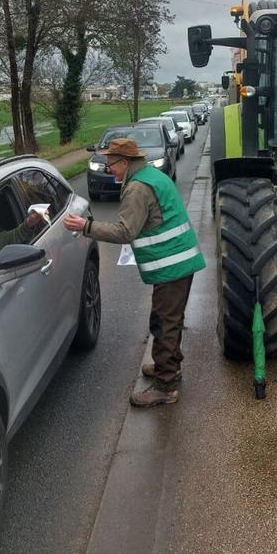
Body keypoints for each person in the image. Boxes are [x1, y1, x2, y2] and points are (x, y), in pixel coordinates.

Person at [63, 136, 205, 408]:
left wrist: (86, 226)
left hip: (171, 265)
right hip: (176, 263)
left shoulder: (138, 188)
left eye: (111, 164)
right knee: (165, 319)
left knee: (165, 324)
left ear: (125, 162)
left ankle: (166, 386)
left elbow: (125, 231)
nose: (108, 169)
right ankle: (169, 366)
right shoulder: (150, 175)